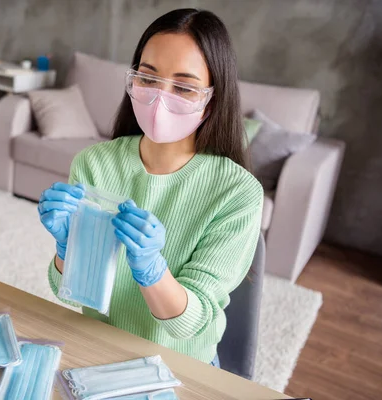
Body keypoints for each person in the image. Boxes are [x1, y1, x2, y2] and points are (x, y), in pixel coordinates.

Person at [38, 8, 263, 368]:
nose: (160, 97)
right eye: (149, 78)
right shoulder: (94, 164)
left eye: (184, 87)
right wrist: (67, 249)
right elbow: (73, 293)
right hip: (97, 350)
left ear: (213, 98)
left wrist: (152, 271)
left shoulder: (238, 193)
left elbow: (192, 325)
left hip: (179, 366)